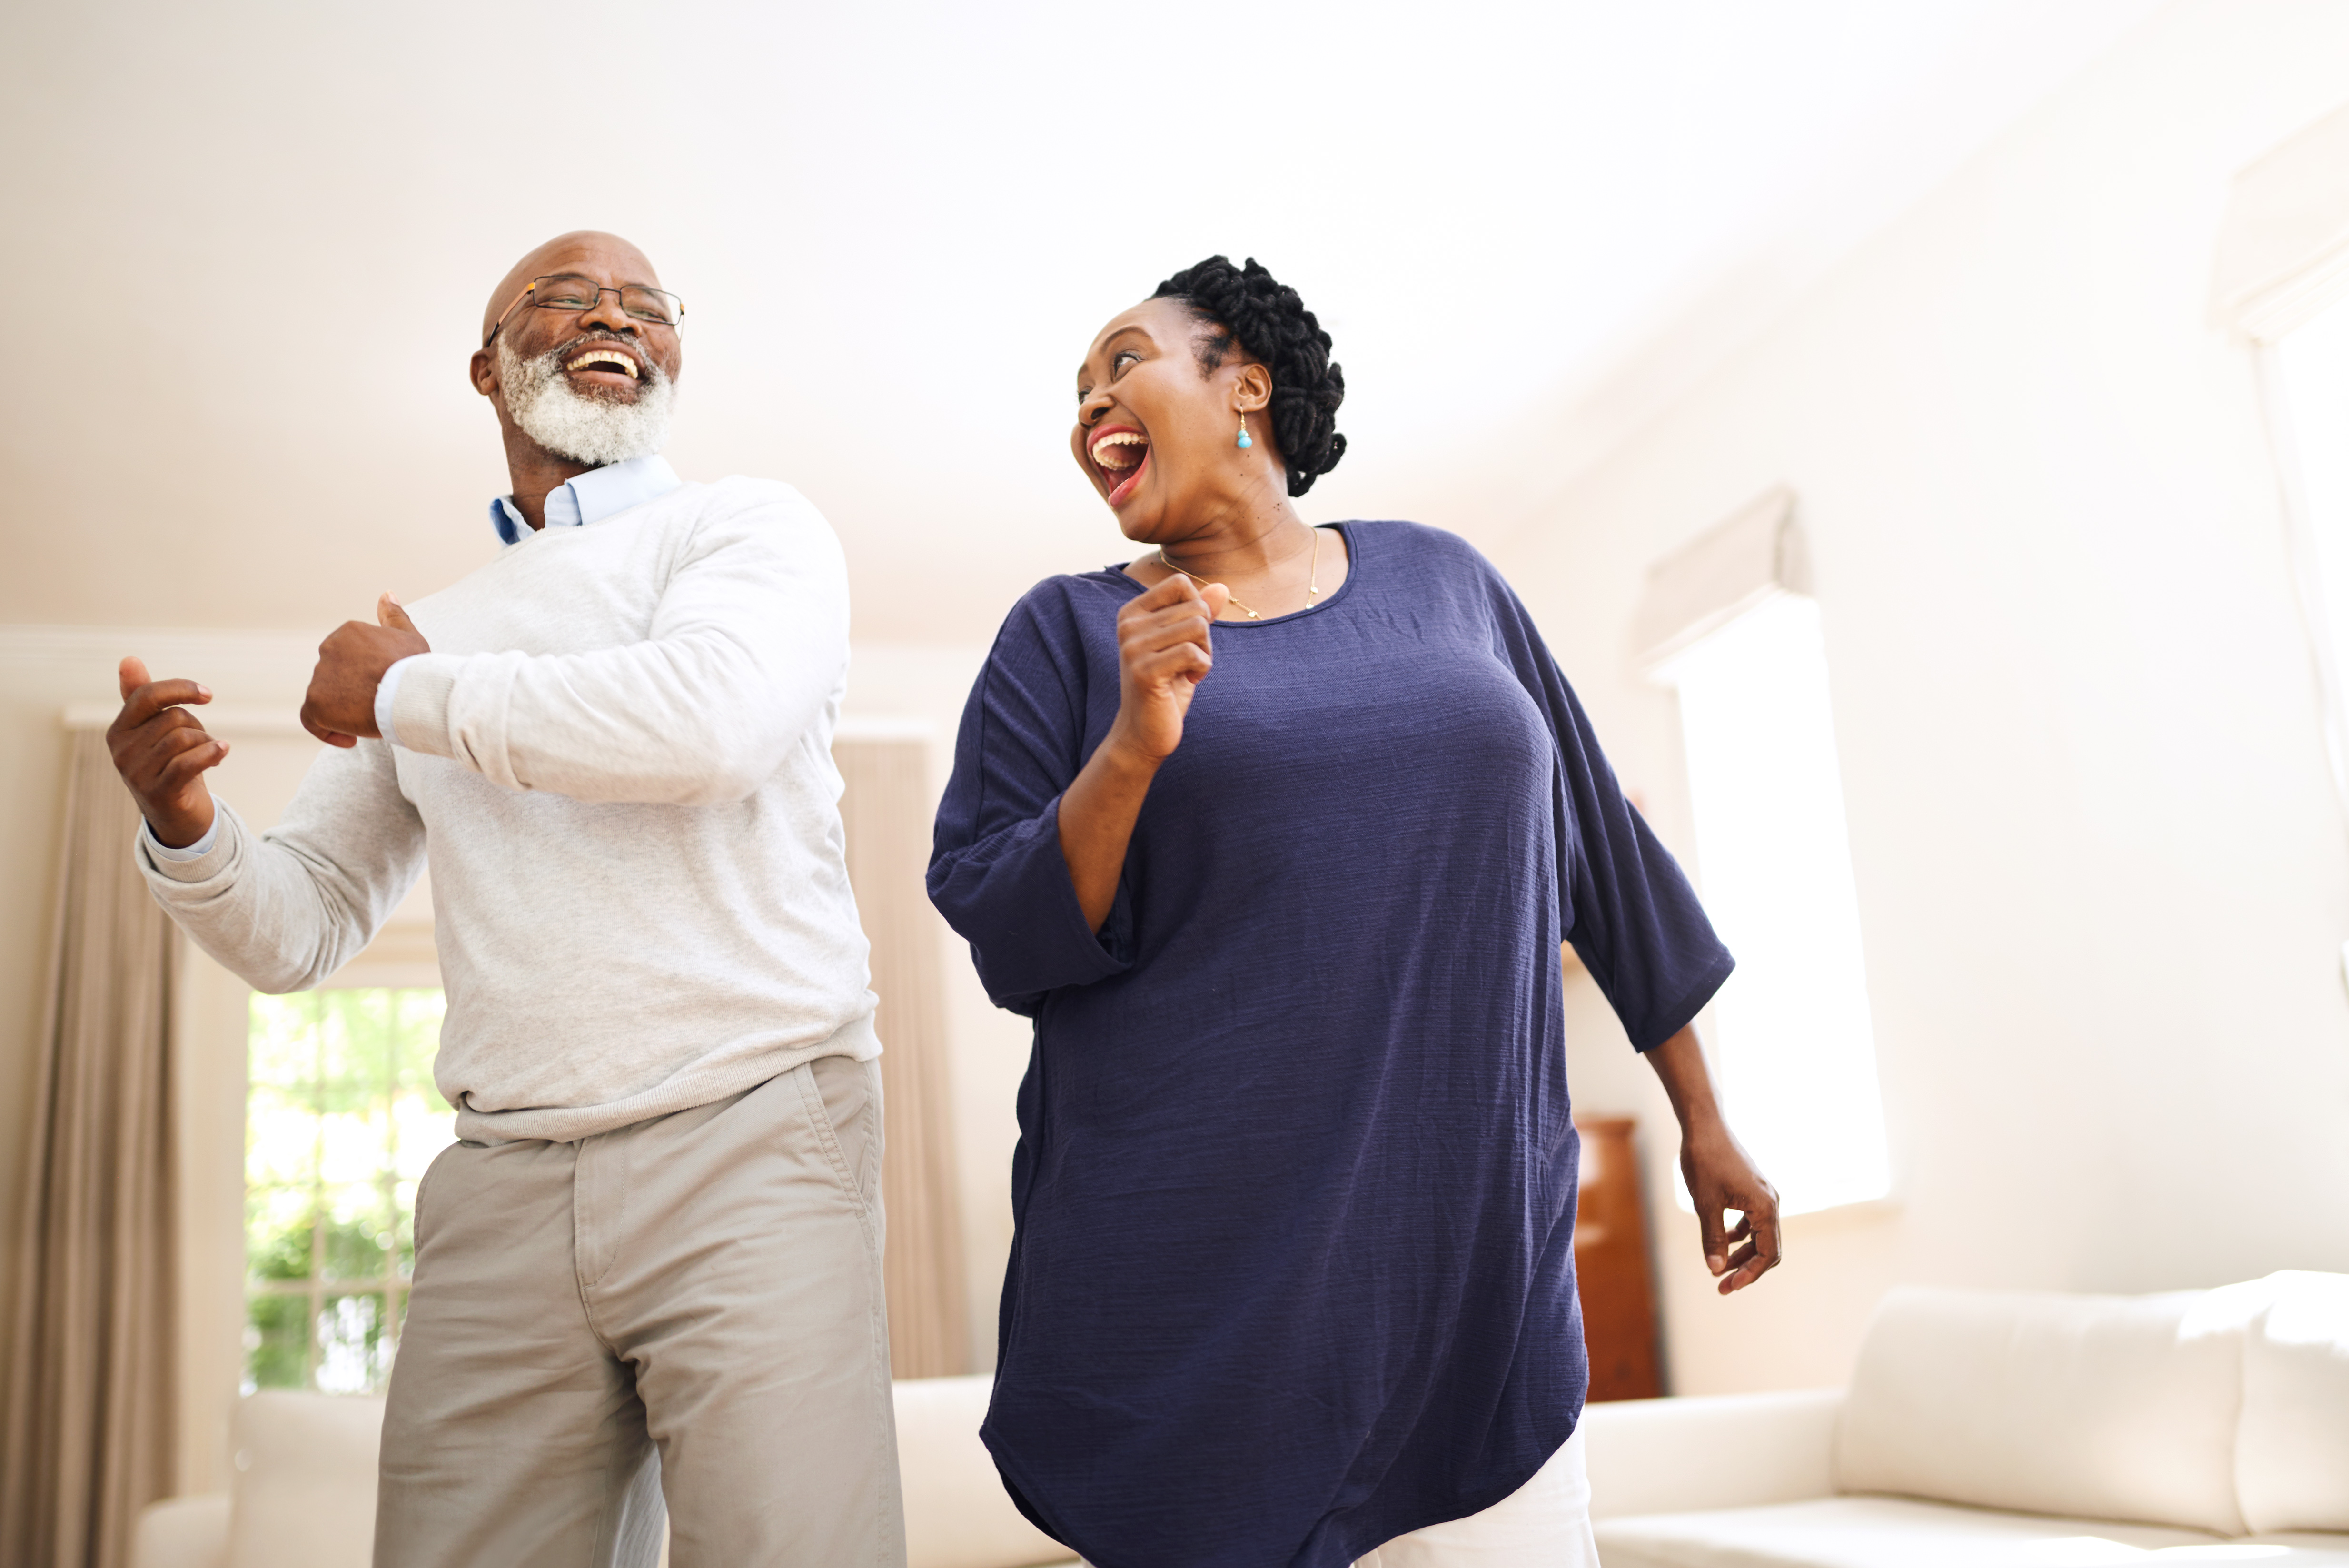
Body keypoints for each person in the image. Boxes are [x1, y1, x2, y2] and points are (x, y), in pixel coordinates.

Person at [928, 256, 1782, 1568]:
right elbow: (1006, 922)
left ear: (1244, 385)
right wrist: (1133, 747)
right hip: (1203, 1305)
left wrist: (1706, 1118)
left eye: (1123, 359)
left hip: (1472, 1285)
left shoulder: (1447, 582)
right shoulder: (1069, 634)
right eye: (1080, 386)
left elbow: (1600, 852)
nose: (1092, 398)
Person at [105, 232, 902, 1568]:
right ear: (488, 366)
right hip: (505, 1186)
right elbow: (300, 926)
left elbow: (709, 725)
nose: (616, 317)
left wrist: (409, 692)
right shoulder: (430, 627)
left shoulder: (745, 527)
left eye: (650, 307)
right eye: (567, 296)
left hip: (757, 1132)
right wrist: (183, 825)